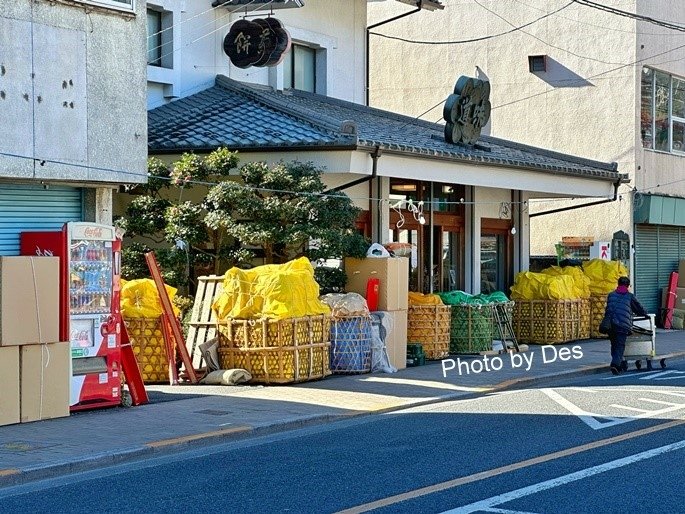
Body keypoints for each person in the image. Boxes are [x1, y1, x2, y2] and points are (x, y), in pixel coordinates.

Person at [603, 276, 647, 375]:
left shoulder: (611, 295)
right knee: (620, 345)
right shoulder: (630, 296)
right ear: (628, 286)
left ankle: (619, 363)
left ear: (618, 284)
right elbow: (639, 309)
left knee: (614, 344)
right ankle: (615, 364)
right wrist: (645, 314)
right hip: (622, 325)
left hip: (610, 324)